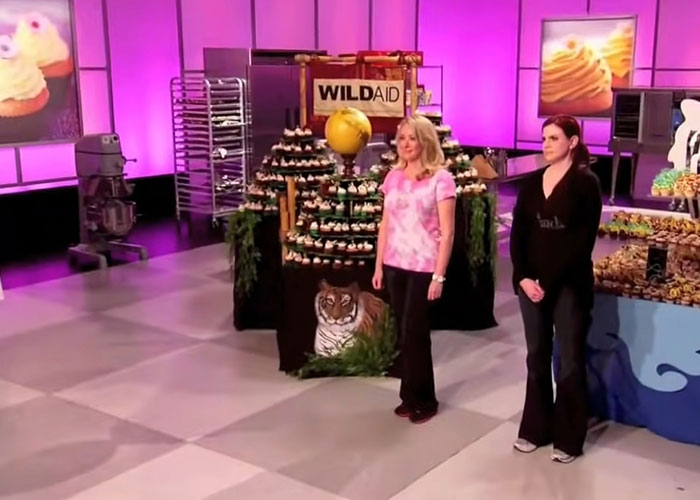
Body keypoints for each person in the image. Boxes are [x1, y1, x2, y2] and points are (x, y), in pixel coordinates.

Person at [510, 114, 602, 463]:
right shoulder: (532, 183)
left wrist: (545, 282)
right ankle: (535, 428)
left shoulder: (586, 183)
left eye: (554, 138)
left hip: (569, 286)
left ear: (572, 142)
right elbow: (519, 235)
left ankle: (568, 438)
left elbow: (581, 242)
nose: (546, 144)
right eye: (544, 138)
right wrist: (523, 277)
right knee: (536, 356)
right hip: (530, 286)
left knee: (570, 361)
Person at [372, 115, 456, 424]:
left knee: (416, 332)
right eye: (402, 138)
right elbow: (385, 224)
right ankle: (408, 396)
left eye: (412, 138)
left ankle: (426, 399)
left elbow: (448, 232)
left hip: (424, 267)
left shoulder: (441, 179)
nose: (405, 144)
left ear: (425, 141)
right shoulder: (392, 177)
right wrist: (379, 265)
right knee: (404, 333)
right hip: (395, 264)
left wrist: (439, 275)